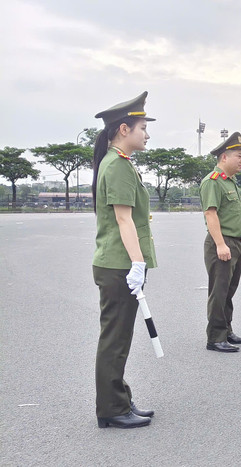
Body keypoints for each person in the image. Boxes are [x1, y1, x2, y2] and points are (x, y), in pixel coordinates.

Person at [91, 91, 157, 429]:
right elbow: (123, 219)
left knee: (117, 338)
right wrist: (136, 263)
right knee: (115, 340)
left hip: (118, 263)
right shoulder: (116, 165)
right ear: (123, 130)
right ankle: (112, 408)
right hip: (119, 265)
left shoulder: (118, 162)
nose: (146, 134)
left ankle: (119, 399)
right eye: (142, 127)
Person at [200, 131, 241, 353]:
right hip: (222, 242)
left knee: (228, 289)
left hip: (235, 242)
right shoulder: (213, 182)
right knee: (219, 291)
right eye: (238, 155)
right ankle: (215, 337)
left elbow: (234, 207)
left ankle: (226, 330)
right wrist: (220, 244)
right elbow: (211, 214)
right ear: (224, 157)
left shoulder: (231, 183)